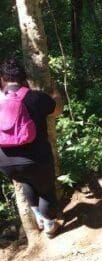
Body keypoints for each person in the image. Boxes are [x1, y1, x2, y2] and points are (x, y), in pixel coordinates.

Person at [0, 57, 63, 238]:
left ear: (3, 80)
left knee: (26, 181)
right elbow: (57, 110)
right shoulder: (35, 97)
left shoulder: (1, 101)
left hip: (5, 162)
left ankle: (39, 219)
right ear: (24, 78)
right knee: (46, 190)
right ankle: (50, 225)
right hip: (35, 160)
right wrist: (55, 93)